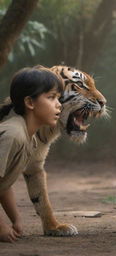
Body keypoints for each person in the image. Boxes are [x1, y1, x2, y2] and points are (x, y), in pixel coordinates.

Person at [0, 66, 63, 242]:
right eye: (51, 97)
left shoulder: (29, 138)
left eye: (58, 98)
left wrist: (16, 219)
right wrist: (1, 226)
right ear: (30, 103)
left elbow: (3, 185)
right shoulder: (14, 135)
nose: (59, 104)